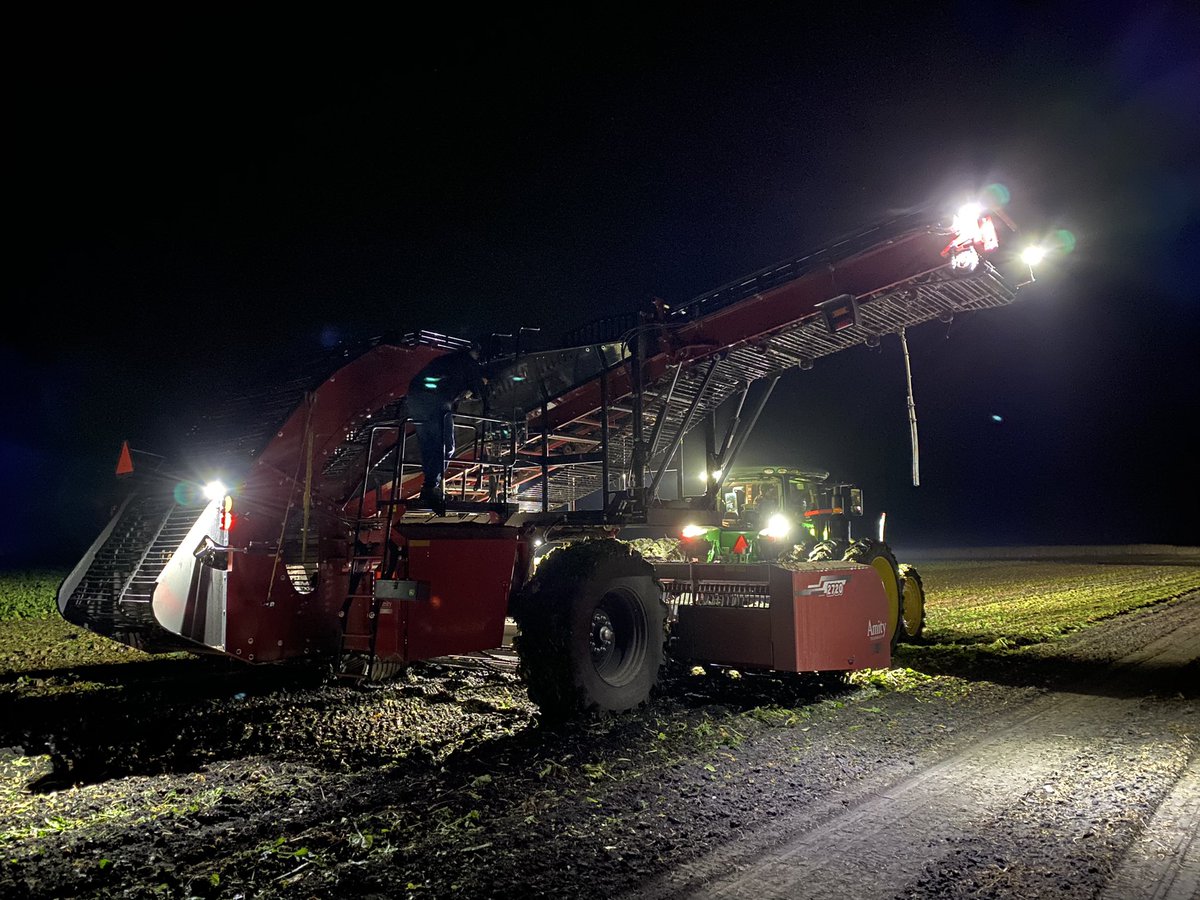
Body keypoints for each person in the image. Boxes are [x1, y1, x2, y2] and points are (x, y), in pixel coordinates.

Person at [407, 344, 488, 515]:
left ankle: (430, 486)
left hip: (415, 399)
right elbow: (480, 392)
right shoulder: (468, 363)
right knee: (446, 446)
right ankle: (430, 488)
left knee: (428, 444)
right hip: (436, 402)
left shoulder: (449, 360)